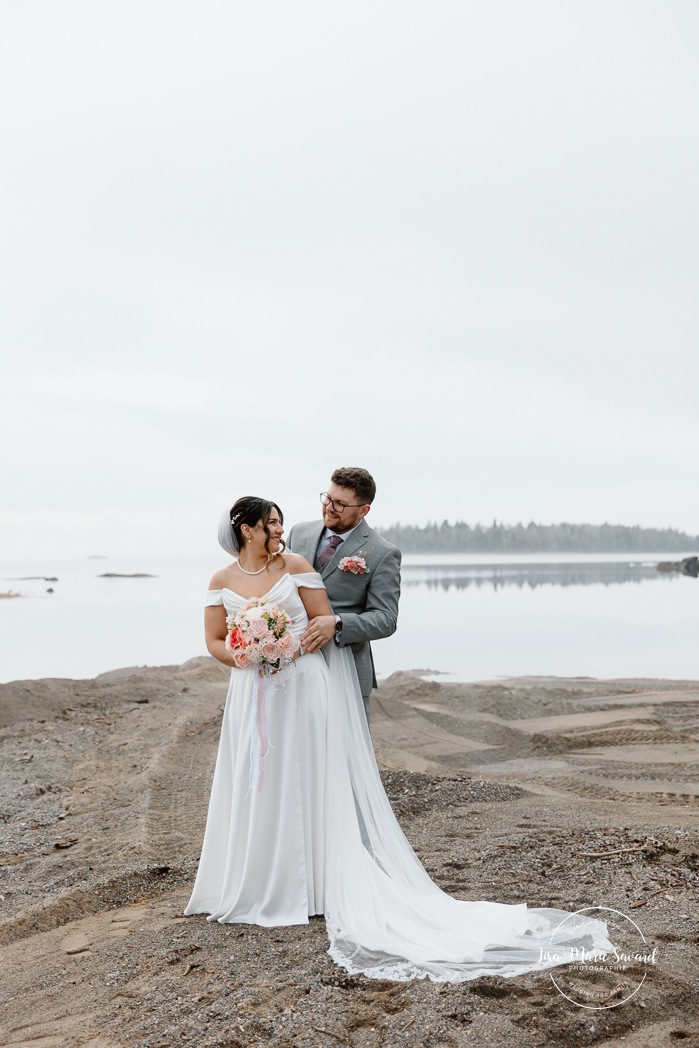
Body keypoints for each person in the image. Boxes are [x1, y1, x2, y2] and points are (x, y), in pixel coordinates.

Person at [184, 495, 613, 981]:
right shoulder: (220, 581)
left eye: (282, 521)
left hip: (302, 687)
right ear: (247, 530)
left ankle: (316, 886)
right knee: (258, 779)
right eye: (272, 523)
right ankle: (257, 880)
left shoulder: (298, 565)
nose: (280, 529)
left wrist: (284, 647)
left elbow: (322, 624)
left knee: (307, 778)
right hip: (253, 692)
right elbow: (215, 640)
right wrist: (247, 655)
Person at [287, 467, 401, 724]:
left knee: (346, 754)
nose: (329, 507)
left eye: (340, 504)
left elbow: (386, 619)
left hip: (345, 665)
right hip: (293, 661)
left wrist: (337, 623)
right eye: (328, 498)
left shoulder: (383, 552)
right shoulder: (298, 533)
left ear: (364, 510)